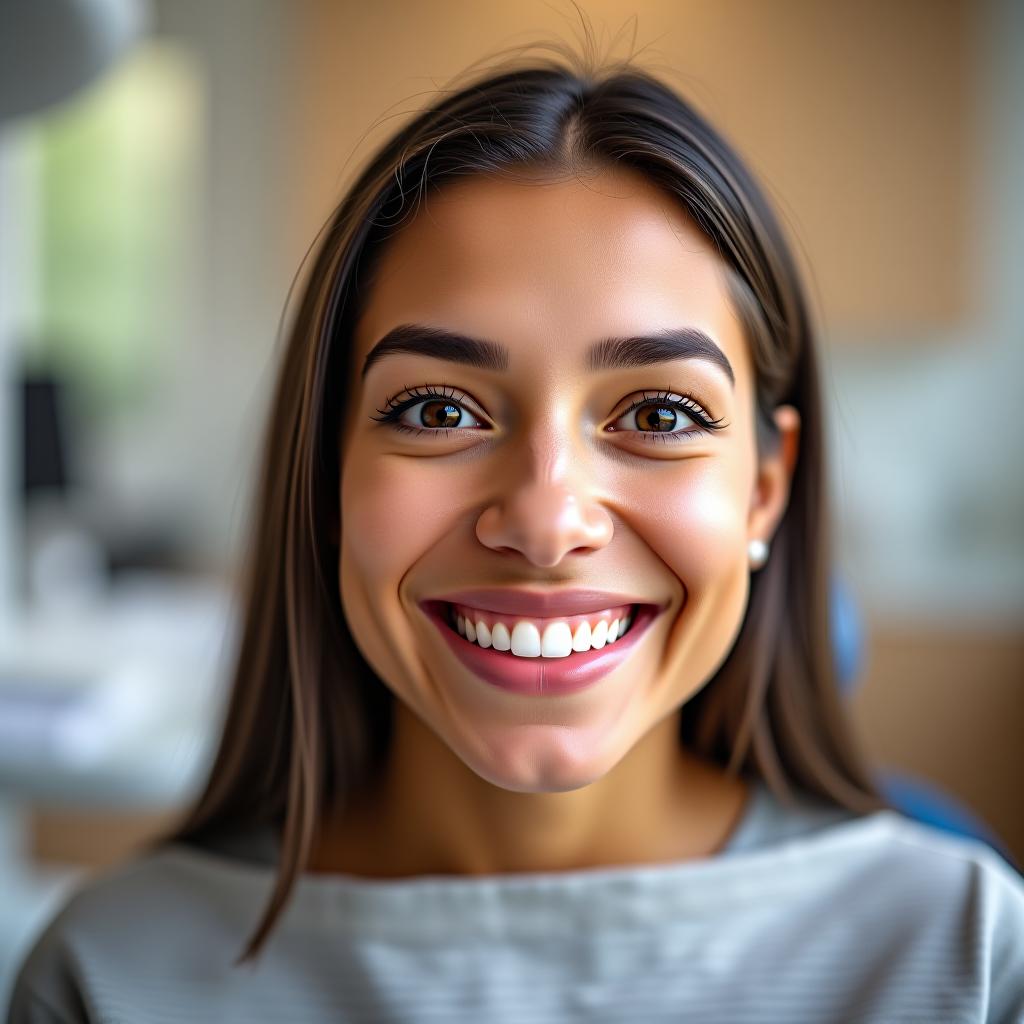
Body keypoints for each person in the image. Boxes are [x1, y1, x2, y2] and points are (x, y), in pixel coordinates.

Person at [8, 46, 1024, 1024]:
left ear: (765, 488)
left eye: (660, 415)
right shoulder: (114, 979)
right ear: (325, 479)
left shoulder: (966, 960)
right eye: (440, 411)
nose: (544, 523)